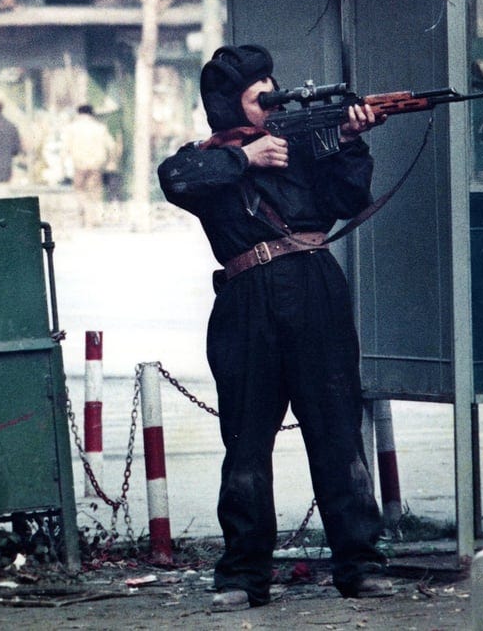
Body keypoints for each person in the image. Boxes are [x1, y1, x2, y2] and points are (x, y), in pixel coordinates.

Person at [157, 44, 392, 610]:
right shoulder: (212, 157)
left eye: (273, 87)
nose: (273, 98)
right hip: (246, 299)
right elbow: (176, 178)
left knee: (337, 431)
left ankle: (359, 564)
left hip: (314, 288)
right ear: (229, 107)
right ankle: (243, 574)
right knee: (245, 442)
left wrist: (350, 140)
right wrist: (248, 159)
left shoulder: (306, 150)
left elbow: (348, 197)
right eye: (258, 93)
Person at [61, 104, 117, 226]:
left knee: (80, 190)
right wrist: (111, 161)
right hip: (96, 165)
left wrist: (63, 165)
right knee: (95, 192)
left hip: (79, 165)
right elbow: (111, 146)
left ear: (79, 113)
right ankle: (95, 218)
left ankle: (86, 217)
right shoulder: (100, 128)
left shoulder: (71, 128)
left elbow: (64, 148)